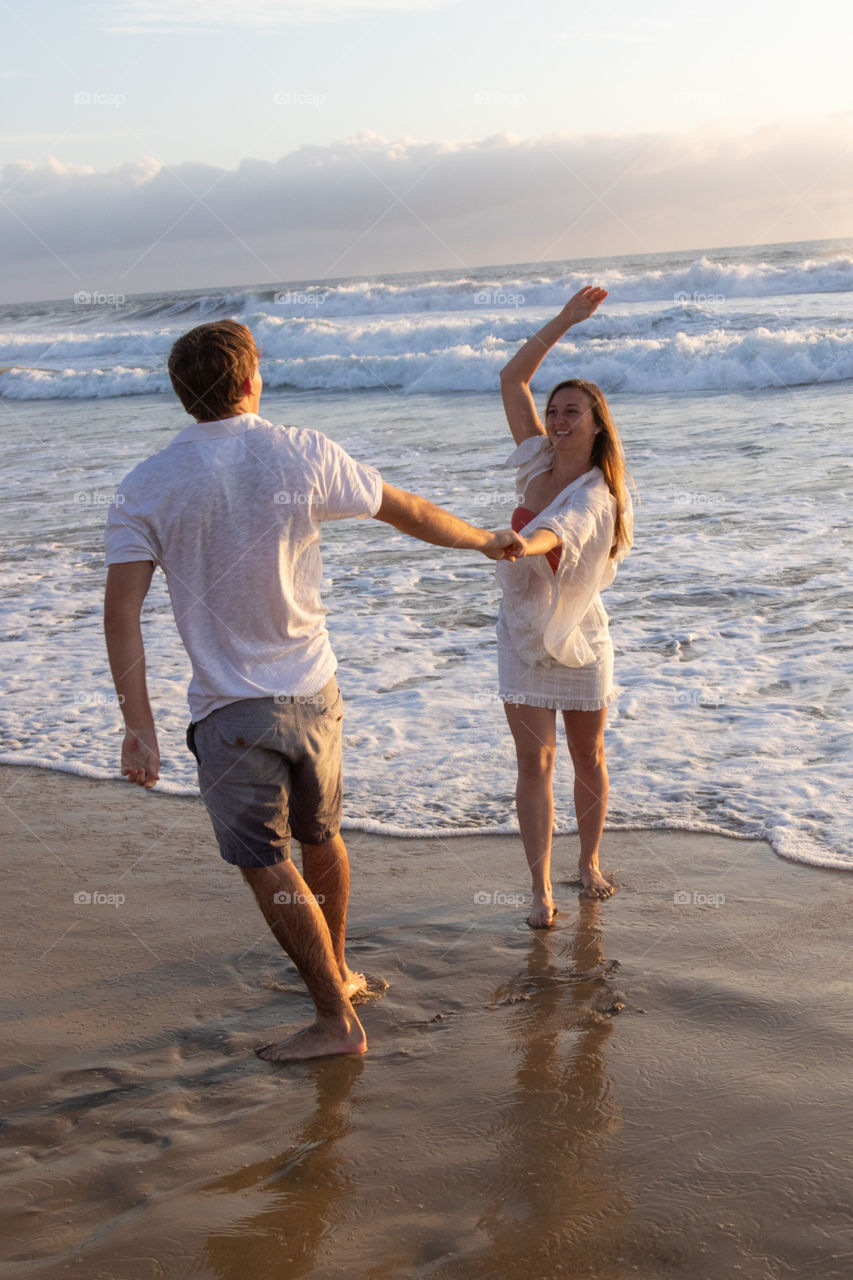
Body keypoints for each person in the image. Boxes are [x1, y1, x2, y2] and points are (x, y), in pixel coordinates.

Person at [103, 319, 521, 1062]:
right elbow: (409, 512)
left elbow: (121, 613)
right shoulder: (302, 450)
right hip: (314, 692)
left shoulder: (145, 486)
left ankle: (334, 1020)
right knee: (320, 836)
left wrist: (138, 725)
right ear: (250, 380)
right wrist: (485, 540)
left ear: (181, 394)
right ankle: (343, 974)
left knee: (265, 862)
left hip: (231, 710)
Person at [495, 287, 633, 924]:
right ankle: (540, 889)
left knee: (589, 757)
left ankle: (588, 863)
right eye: (554, 411)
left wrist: (523, 543)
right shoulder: (534, 459)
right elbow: (511, 377)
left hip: (578, 634)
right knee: (534, 761)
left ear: (597, 421)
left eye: (573, 412)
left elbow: (564, 532)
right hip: (522, 632)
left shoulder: (598, 491)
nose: (558, 420)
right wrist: (567, 320)